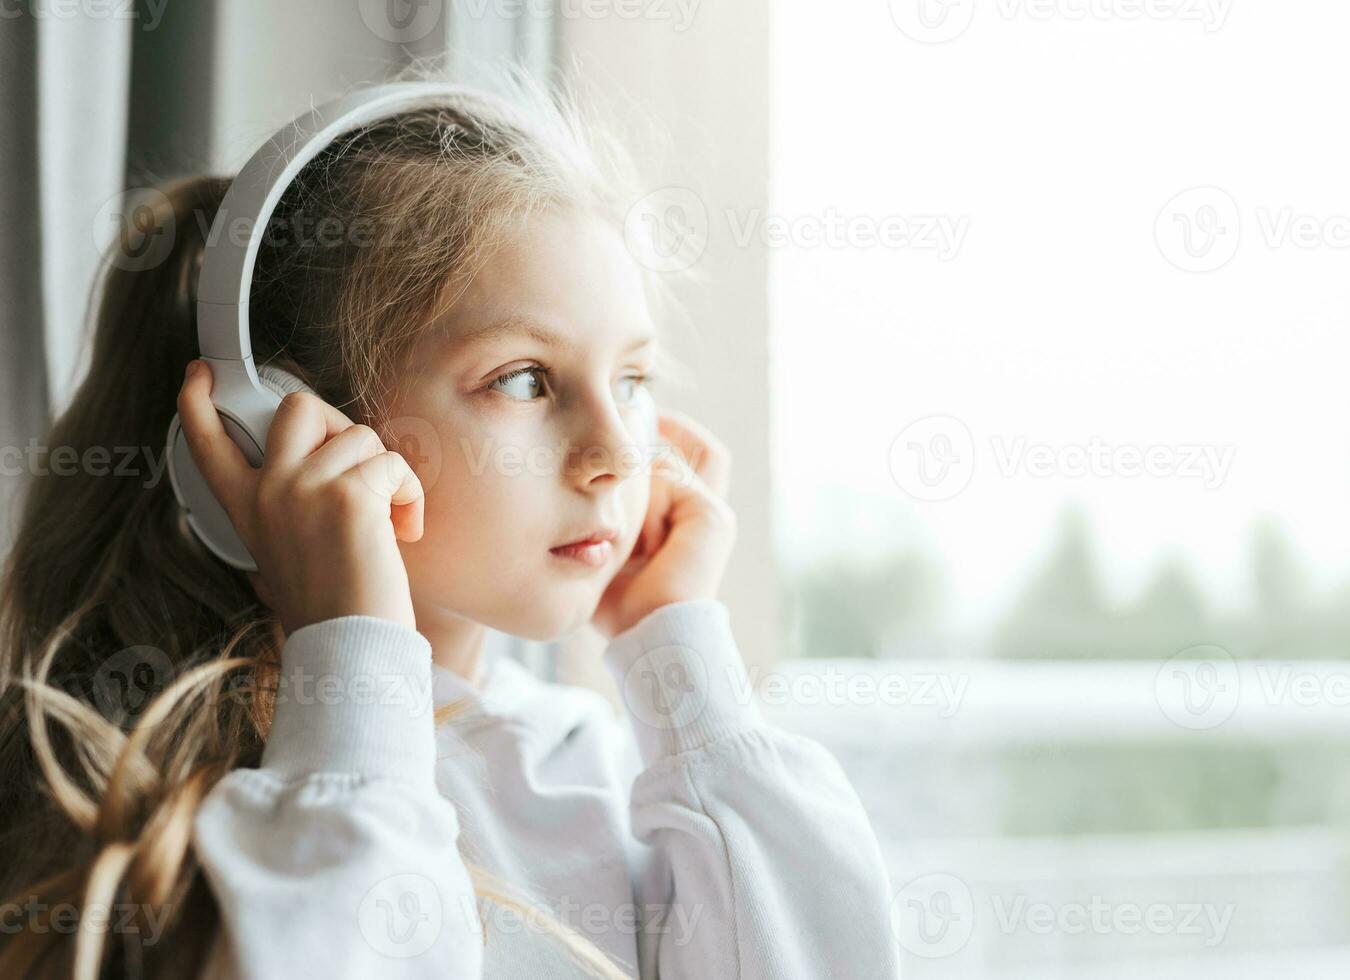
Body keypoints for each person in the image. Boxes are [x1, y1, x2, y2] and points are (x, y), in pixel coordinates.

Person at [0, 67, 901, 978]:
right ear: (277, 433)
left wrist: (685, 673)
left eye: (632, 381)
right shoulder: (215, 799)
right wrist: (349, 658)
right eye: (522, 379)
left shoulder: (590, 761)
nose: (620, 454)